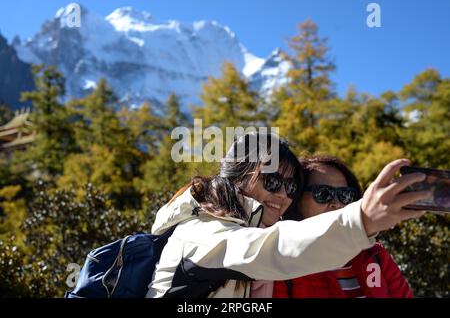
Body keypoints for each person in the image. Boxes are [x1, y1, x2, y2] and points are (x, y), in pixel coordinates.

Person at [146, 132, 429, 298]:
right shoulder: (202, 231)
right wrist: (362, 218)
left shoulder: (375, 257)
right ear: (238, 177)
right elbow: (273, 249)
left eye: (291, 185)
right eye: (271, 180)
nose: (283, 193)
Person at [271, 155, 413, 298]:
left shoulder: (375, 254)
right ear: (297, 199)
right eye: (323, 193)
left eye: (345, 195)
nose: (337, 203)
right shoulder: (280, 262)